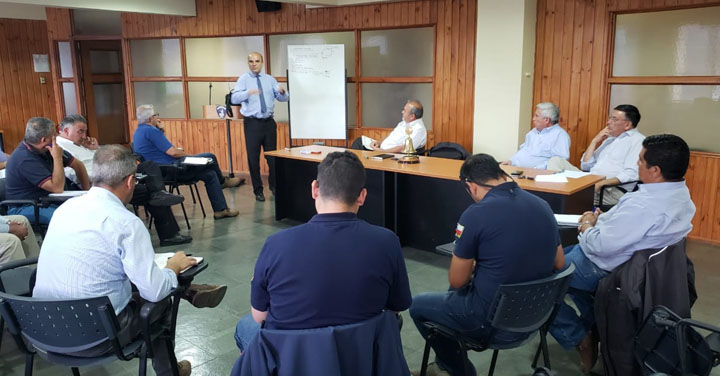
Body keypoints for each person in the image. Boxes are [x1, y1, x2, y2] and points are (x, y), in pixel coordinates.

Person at [33, 145, 229, 376]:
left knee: (123, 276)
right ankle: (169, 369)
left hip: (44, 328)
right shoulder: (126, 223)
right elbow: (155, 293)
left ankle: (188, 291)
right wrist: (172, 268)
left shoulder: (65, 209)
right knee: (161, 301)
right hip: (94, 337)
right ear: (129, 182)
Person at [234, 151, 412, 350]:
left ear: (315, 189)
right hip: (359, 356)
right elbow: (398, 305)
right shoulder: (387, 242)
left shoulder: (276, 244)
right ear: (362, 196)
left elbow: (260, 317)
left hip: (294, 360)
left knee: (245, 326)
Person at [548, 134, 696, 373]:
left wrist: (587, 226)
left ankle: (578, 337)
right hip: (633, 266)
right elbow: (619, 224)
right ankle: (596, 324)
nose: (636, 164)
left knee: (534, 280)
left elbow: (599, 246)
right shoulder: (680, 194)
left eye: (640, 160)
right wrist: (598, 221)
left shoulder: (644, 206)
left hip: (602, 265)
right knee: (567, 277)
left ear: (655, 170)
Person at [409, 153, 564, 376]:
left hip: (491, 324)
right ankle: (445, 365)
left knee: (418, 305)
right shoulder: (542, 205)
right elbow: (559, 262)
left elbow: (458, 279)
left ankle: (457, 369)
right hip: (535, 317)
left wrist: (475, 265)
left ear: (470, 186)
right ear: (502, 174)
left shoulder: (475, 215)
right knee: (453, 297)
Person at [57, 114, 191, 246]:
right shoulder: (61, 148)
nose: (84, 136)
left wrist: (95, 150)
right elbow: (71, 173)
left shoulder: (80, 145)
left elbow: (100, 161)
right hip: (101, 184)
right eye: (80, 132)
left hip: (112, 176)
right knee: (148, 192)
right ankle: (168, 233)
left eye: (85, 132)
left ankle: (159, 194)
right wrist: (105, 176)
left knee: (149, 166)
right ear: (66, 131)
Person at [132, 104, 242, 219]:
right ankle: (223, 181)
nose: (157, 118)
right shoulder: (151, 131)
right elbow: (173, 152)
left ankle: (221, 210)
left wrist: (161, 130)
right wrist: (188, 156)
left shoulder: (139, 131)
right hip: (173, 169)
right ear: (150, 119)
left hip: (161, 172)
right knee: (210, 157)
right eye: (155, 115)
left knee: (210, 174)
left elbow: (159, 150)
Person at [547, 104, 645, 205]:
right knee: (555, 160)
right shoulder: (610, 139)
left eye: (614, 119)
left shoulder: (637, 140)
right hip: (590, 180)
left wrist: (601, 183)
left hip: (609, 190)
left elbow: (631, 174)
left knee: (563, 198)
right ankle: (557, 190)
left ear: (627, 125)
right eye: (610, 118)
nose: (608, 122)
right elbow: (585, 165)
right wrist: (594, 141)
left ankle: (558, 194)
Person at [5, 117, 90, 224]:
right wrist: (57, 158)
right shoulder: (24, 158)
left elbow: (78, 165)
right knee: (65, 219)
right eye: (54, 135)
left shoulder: (47, 148)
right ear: (44, 140)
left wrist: (87, 192)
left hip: (48, 199)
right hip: (26, 206)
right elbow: (57, 188)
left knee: (87, 209)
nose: (57, 137)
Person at [231, 51, 289, 202]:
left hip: (268, 123)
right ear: (248, 63)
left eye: (257, 61)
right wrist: (247, 93)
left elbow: (283, 98)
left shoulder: (269, 79)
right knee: (253, 159)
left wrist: (283, 92)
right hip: (252, 123)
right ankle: (258, 190)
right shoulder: (243, 79)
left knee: (272, 158)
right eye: (251, 61)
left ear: (262, 63)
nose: (254, 64)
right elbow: (234, 97)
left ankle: (275, 187)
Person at [502, 102, 570, 169]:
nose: (533, 119)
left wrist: (535, 169)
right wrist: (511, 161)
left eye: (536, 116)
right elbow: (523, 150)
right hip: (517, 170)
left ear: (546, 120)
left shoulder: (560, 135)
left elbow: (559, 162)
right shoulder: (532, 132)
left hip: (538, 175)